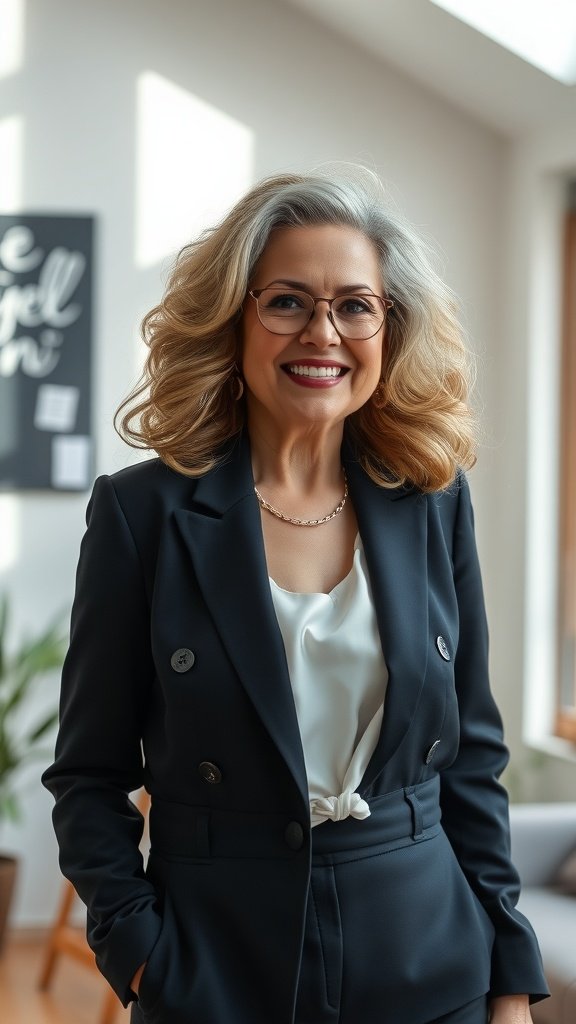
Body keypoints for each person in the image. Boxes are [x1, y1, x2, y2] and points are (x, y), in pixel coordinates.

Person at [43, 167, 549, 1024]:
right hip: (218, 975)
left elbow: (470, 759)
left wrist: (508, 978)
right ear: (235, 321)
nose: (324, 332)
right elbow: (89, 777)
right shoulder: (141, 515)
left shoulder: (433, 500)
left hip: (433, 968)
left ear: (390, 329)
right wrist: (142, 960)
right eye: (287, 301)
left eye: (355, 305)